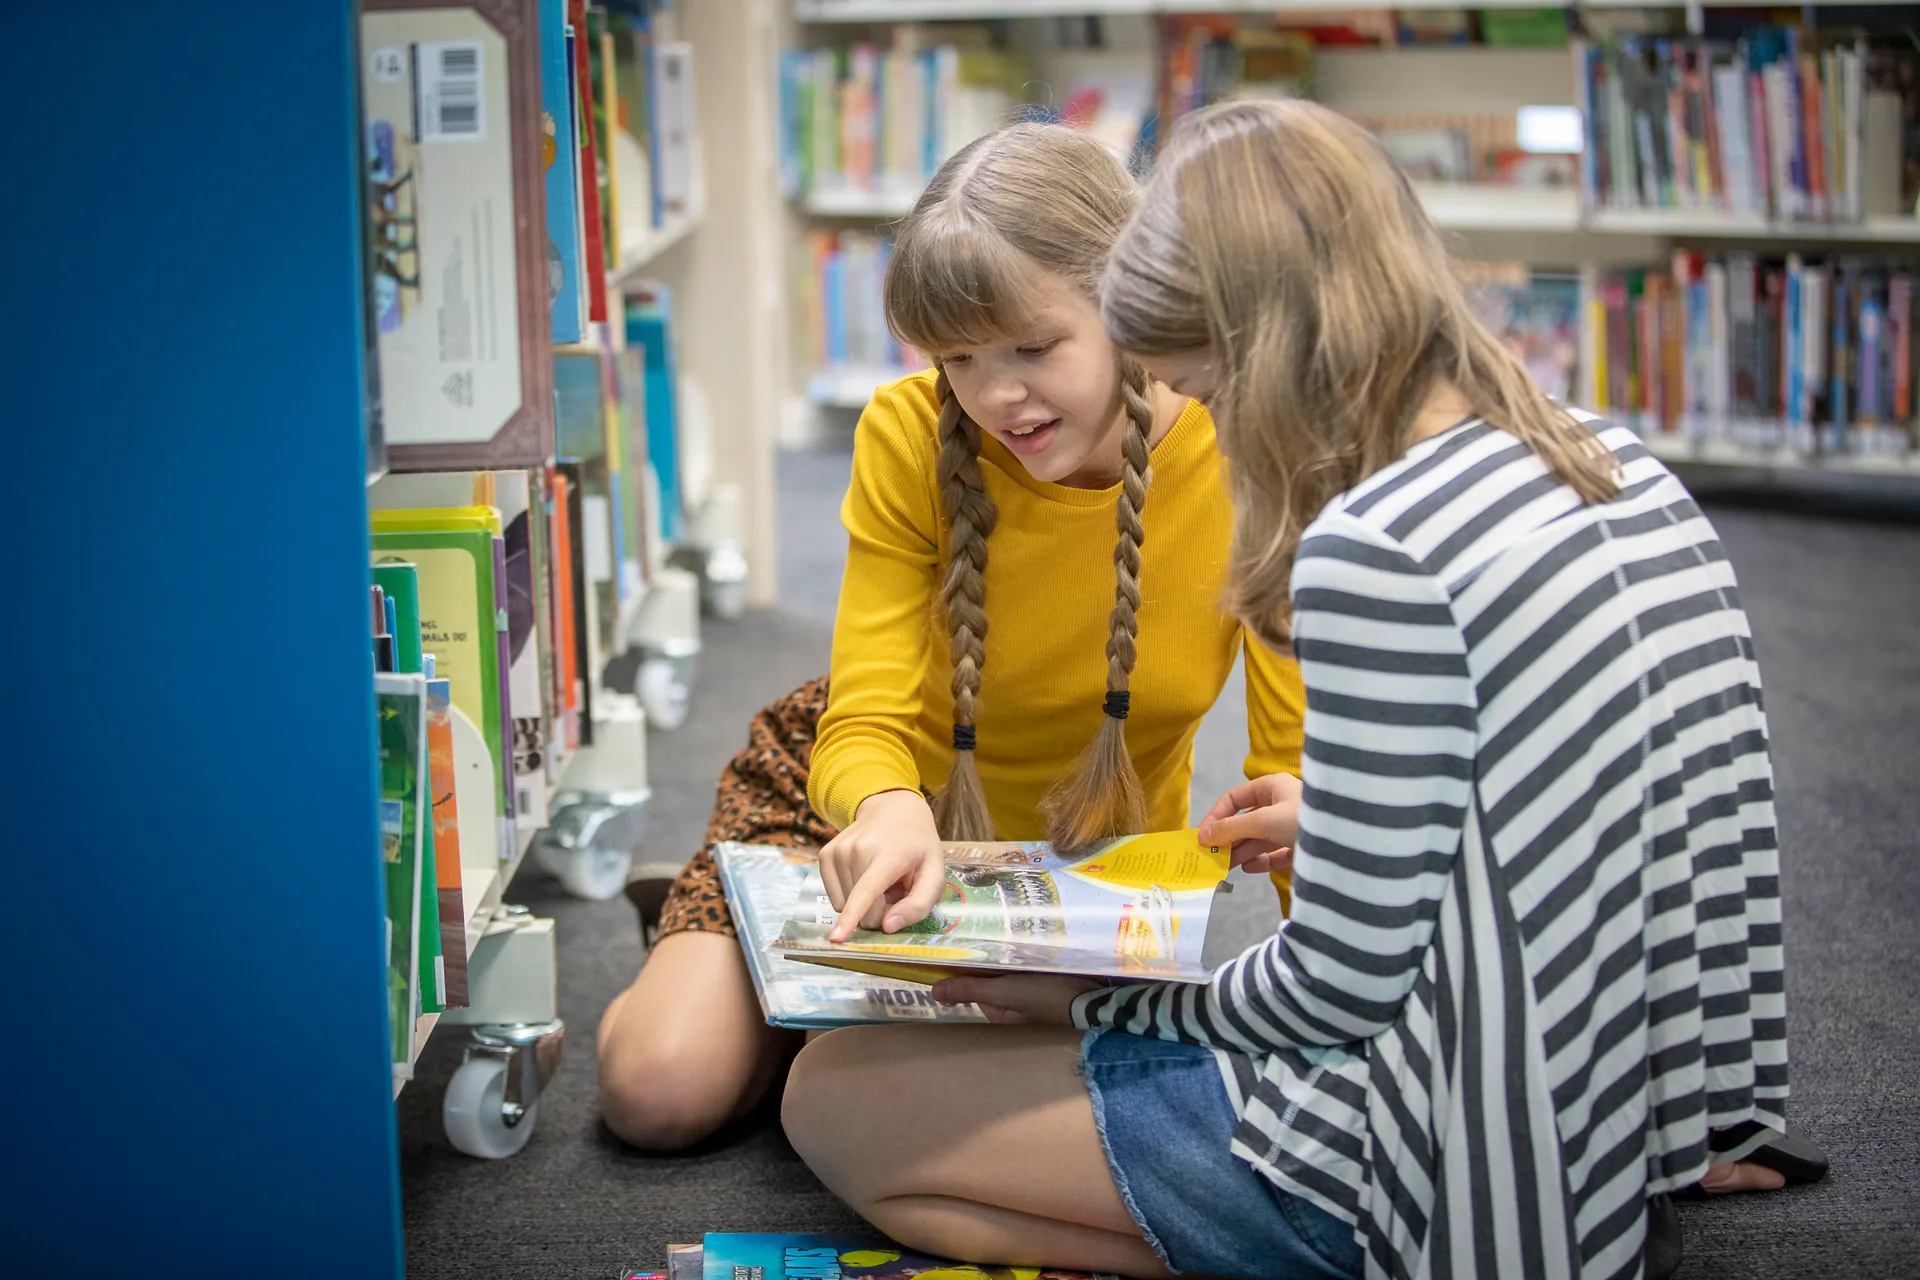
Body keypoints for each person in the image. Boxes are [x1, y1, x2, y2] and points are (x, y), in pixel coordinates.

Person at [781, 99, 1812, 1280]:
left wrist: (1086, 1006)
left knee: (839, 1099)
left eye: (1200, 386)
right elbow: (1702, 843)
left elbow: (1330, 987)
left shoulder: (1376, 549)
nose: (1199, 422)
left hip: (1434, 1170)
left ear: (1251, 348)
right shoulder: (1619, 461)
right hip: (1606, 1126)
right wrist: (1680, 1126)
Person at [595, 121, 1307, 1152]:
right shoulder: (907, 434)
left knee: (981, 1113)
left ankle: (777, 990)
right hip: (854, 812)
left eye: (1034, 346)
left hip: (1082, 880)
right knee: (656, 1093)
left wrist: (1333, 987)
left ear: (1130, 304)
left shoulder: (1243, 449)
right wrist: (883, 813)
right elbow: (868, 712)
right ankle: (718, 923)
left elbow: (1286, 767)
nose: (997, 395)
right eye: (960, 358)